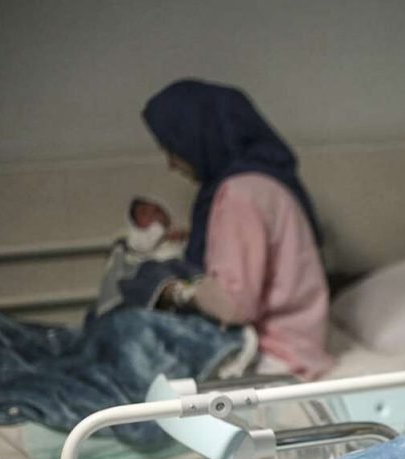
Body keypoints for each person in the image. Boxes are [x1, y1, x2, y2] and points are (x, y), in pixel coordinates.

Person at [141, 79, 334, 380]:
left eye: (173, 150)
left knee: (125, 334)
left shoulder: (238, 194)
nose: (172, 164)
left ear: (199, 138)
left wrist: (175, 291)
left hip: (272, 356)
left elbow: (234, 305)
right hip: (302, 345)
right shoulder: (266, 181)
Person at [93, 197, 190, 317]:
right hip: (138, 290)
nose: (152, 215)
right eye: (144, 213)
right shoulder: (126, 238)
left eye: (157, 211)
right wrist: (162, 233)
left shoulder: (181, 238)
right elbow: (141, 247)